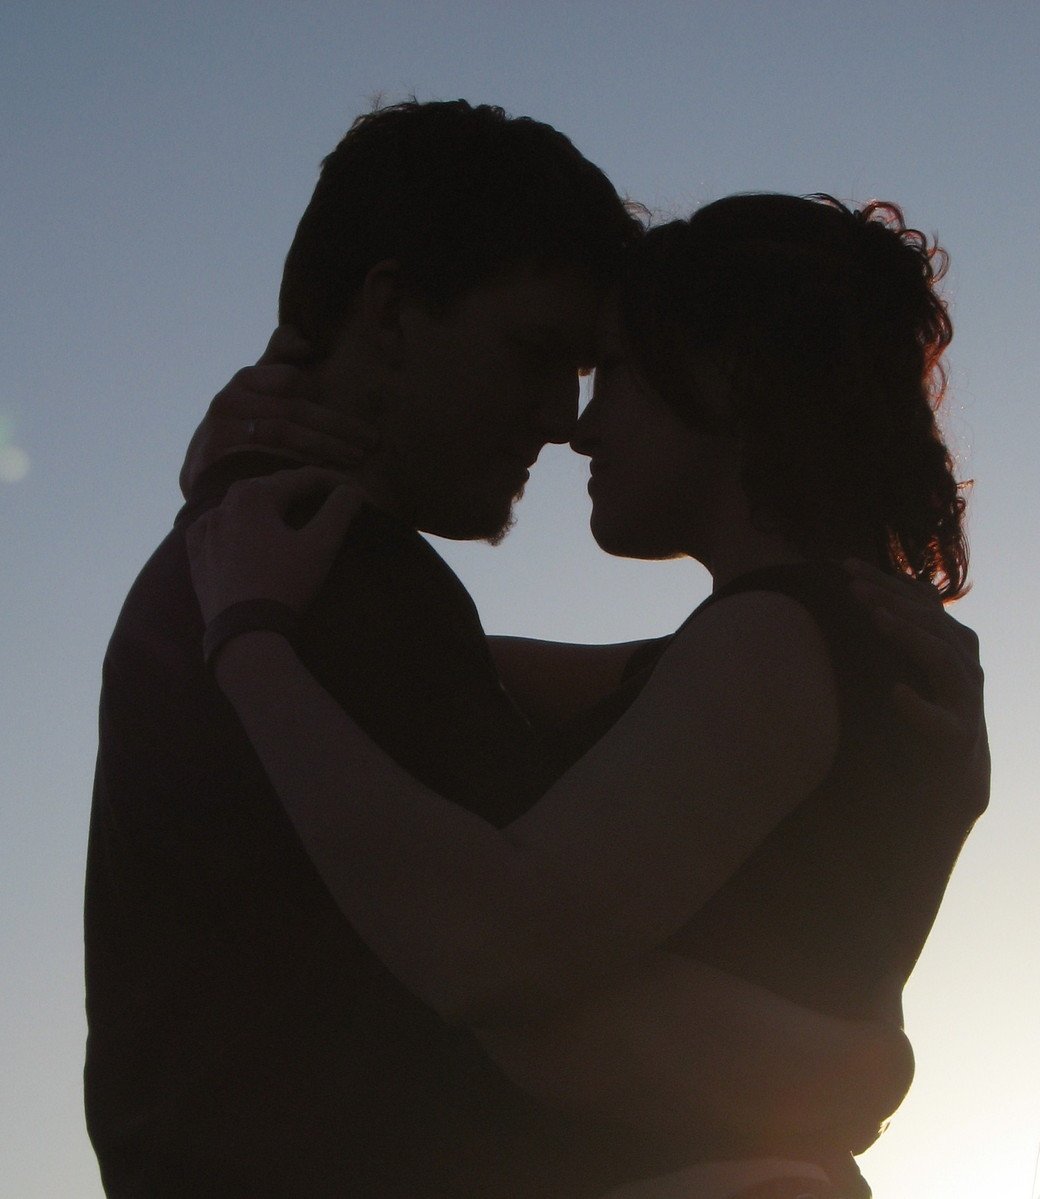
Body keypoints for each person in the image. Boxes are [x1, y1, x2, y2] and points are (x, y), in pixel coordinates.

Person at [86, 102, 938, 1198]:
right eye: (535, 355)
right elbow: (520, 972)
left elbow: (636, 698)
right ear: (390, 309)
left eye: (591, 373)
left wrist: (838, 665)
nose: (560, 418)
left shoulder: (289, 575)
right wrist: (854, 1064)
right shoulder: (330, 589)